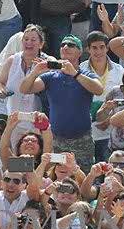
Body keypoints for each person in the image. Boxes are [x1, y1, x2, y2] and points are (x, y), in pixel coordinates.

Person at [19, 35, 104, 173]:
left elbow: (99, 89)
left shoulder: (85, 74)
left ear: (80, 52)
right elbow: (24, 89)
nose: (65, 47)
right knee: (54, 176)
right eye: (63, 45)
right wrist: (35, 72)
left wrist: (74, 74)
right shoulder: (51, 76)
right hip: (56, 140)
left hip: (82, 140)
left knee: (83, 176)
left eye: (71, 45)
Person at [0, 25, 47, 144]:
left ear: (41, 44)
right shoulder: (12, 60)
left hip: (37, 120)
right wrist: (1, 90)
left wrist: (46, 66)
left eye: (33, 40)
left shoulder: (46, 61)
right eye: (26, 39)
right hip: (15, 118)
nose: (29, 43)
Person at [80, 31, 124, 164]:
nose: (98, 52)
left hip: (111, 132)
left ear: (107, 48)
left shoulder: (119, 71)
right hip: (87, 132)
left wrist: (109, 121)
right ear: (88, 49)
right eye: (94, 48)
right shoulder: (80, 70)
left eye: (101, 47)